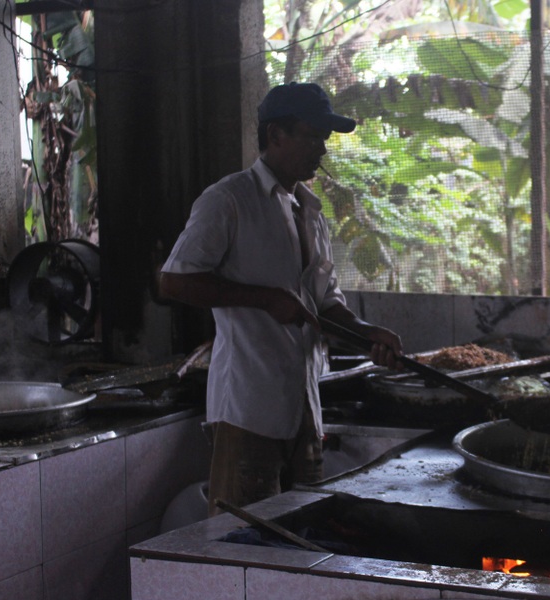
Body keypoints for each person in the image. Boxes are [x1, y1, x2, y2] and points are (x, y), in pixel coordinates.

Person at [159, 82, 403, 516]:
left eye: (324, 140)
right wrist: (263, 298)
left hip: (304, 413)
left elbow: (325, 306)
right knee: (241, 547)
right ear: (275, 135)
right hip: (248, 415)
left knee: (302, 538)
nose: (321, 151)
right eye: (311, 137)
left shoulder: (310, 213)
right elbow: (174, 282)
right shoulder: (229, 200)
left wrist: (368, 335)